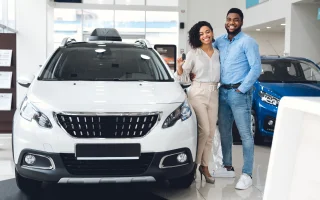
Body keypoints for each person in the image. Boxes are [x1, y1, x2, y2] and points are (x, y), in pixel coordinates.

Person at [212, 8, 262, 190]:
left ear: (241, 22)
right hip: (222, 92)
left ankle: (247, 173)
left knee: (245, 134)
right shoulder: (220, 41)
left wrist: (241, 89)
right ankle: (227, 166)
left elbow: (256, 68)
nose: (231, 22)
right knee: (225, 132)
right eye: (229, 19)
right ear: (225, 21)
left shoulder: (248, 42)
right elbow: (207, 51)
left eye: (236, 20)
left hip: (239, 93)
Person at [175, 21, 220, 184]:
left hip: (214, 93)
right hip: (197, 92)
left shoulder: (218, 53)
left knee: (211, 134)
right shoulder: (194, 53)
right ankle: (194, 165)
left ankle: (205, 166)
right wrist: (180, 67)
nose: (205, 36)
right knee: (205, 131)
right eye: (201, 34)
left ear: (212, 33)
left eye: (207, 32)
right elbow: (182, 77)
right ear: (197, 37)